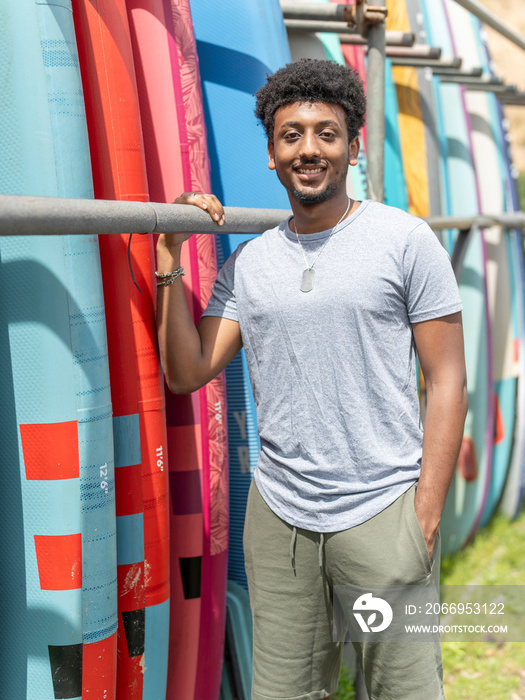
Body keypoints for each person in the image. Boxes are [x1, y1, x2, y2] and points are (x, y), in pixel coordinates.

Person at [156, 58, 467, 700]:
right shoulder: (249, 264)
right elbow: (186, 372)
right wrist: (167, 258)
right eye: (291, 134)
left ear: (352, 147)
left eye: (326, 133)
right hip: (280, 518)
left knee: (403, 691)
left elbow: (447, 376)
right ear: (271, 154)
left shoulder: (405, 242)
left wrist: (425, 513)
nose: (308, 149)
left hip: (384, 508)